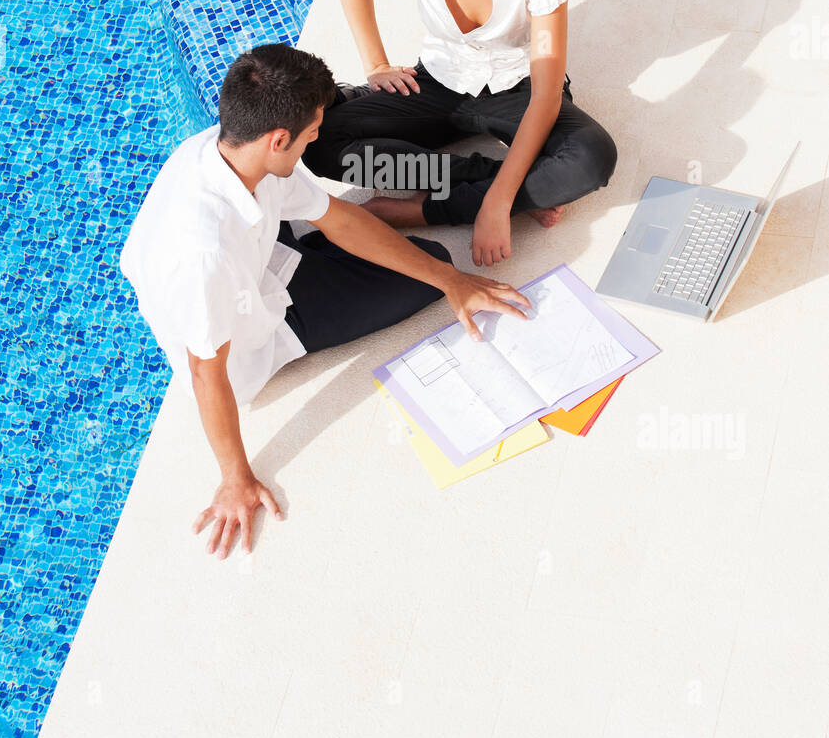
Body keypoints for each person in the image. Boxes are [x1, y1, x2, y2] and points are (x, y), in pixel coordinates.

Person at [119, 44, 530, 559]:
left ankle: (375, 243)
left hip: (263, 256)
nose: (319, 137)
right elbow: (207, 373)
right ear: (278, 139)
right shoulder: (204, 257)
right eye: (312, 131)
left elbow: (336, 216)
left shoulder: (231, 148)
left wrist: (453, 280)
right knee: (416, 272)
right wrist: (236, 478)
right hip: (259, 322)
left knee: (425, 261)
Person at [302, 0, 618, 268]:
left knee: (590, 158)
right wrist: (376, 64)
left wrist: (496, 207)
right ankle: (505, 183)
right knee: (319, 142)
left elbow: (546, 95)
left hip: (518, 87)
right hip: (439, 79)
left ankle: (418, 209)